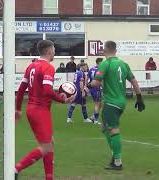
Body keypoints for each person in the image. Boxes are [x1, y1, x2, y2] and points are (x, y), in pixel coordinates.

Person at [14, 40, 74, 180]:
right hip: (40, 110)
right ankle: (16, 169)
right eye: (53, 49)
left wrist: (18, 109)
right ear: (48, 51)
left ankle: (49, 177)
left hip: (31, 109)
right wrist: (62, 99)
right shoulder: (48, 67)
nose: (54, 52)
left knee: (49, 144)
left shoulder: (31, 66)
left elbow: (21, 89)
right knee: (46, 147)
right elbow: (47, 90)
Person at [88, 41, 145, 170]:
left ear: (105, 50)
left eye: (103, 48)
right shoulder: (123, 64)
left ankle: (117, 161)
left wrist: (88, 85)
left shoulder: (105, 64)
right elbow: (134, 81)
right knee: (104, 127)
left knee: (113, 129)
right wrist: (139, 98)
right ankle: (115, 154)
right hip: (120, 103)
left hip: (111, 103)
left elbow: (96, 83)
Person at [87, 58, 103, 124]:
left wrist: (86, 86)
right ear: (99, 63)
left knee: (100, 103)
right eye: (102, 62)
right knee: (97, 104)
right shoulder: (99, 69)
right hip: (96, 88)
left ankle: (94, 116)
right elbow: (100, 80)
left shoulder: (91, 69)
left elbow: (87, 78)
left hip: (92, 88)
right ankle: (95, 120)